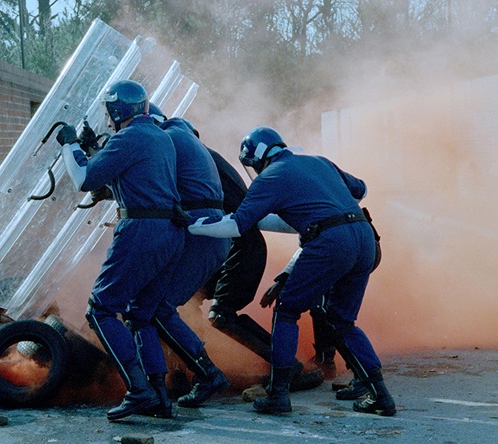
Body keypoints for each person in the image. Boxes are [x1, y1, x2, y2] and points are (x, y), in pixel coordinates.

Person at [188, 126, 396, 416]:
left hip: (331, 242)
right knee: (342, 321)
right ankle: (379, 394)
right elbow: (360, 189)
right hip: (364, 236)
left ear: (257, 159)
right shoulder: (319, 162)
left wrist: (192, 225)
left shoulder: (271, 177)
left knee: (286, 312)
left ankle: (278, 394)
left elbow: (237, 225)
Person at [55, 80, 185, 421]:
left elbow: (85, 179)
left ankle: (139, 391)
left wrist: (70, 146)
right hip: (170, 232)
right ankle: (159, 395)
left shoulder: (128, 138)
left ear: (116, 110)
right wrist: (93, 148)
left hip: (141, 229)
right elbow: (125, 173)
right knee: (141, 315)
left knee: (100, 310)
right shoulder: (161, 137)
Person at [140, 105, 231, 413]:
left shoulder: (167, 139)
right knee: (157, 306)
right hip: (207, 234)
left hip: (200, 235)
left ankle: (208, 374)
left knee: (158, 309)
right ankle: (187, 372)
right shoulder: (182, 135)